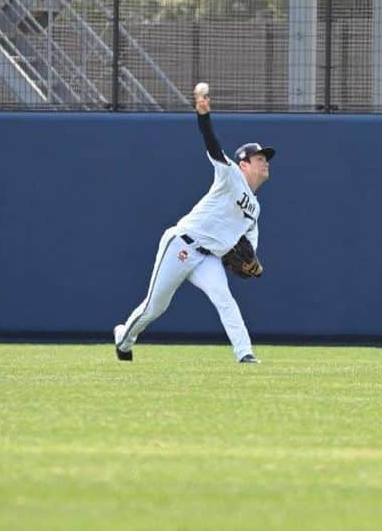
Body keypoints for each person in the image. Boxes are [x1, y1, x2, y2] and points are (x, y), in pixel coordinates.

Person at [113, 91, 274, 365]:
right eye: (259, 158)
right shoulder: (230, 174)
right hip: (180, 244)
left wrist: (252, 266)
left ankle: (245, 354)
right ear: (243, 163)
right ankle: (124, 338)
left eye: (266, 158)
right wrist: (204, 115)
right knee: (155, 306)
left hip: (208, 258)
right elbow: (212, 144)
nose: (265, 162)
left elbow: (249, 251)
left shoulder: (255, 211)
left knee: (225, 299)